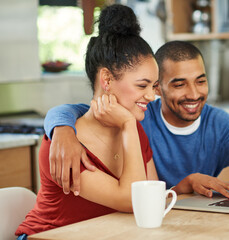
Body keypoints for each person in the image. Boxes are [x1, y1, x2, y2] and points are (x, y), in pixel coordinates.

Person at [44, 41, 229, 199]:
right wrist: (61, 128)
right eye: (179, 84)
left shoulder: (220, 124)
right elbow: (83, 109)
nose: (194, 94)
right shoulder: (139, 117)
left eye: (200, 81)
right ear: (158, 87)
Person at [15, 4, 159, 238]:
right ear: (106, 79)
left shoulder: (133, 129)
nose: (152, 96)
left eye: (154, 86)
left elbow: (151, 201)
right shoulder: (62, 145)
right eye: (142, 85)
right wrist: (128, 126)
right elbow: (132, 201)